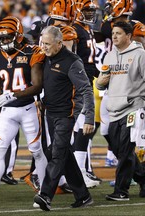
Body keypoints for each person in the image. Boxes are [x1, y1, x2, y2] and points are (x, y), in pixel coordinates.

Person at [0, 16, 47, 209]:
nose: (4, 41)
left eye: (8, 37)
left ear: (18, 35)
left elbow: (38, 86)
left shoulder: (33, 52)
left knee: (36, 151)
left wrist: (13, 94)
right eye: (2, 38)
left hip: (29, 108)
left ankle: (44, 193)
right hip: (7, 111)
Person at [34, 26, 94, 211]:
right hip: (50, 113)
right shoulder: (46, 58)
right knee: (63, 154)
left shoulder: (72, 62)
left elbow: (86, 90)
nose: (43, 47)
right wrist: (41, 100)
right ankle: (83, 196)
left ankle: (45, 195)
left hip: (66, 115)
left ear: (60, 44)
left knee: (58, 154)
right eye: (42, 43)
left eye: (47, 44)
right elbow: (52, 85)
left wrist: (89, 118)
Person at [96, 21, 145, 201]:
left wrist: (141, 102)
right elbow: (101, 82)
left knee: (125, 150)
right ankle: (143, 178)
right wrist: (101, 81)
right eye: (113, 33)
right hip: (114, 108)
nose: (114, 36)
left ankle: (121, 191)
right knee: (119, 149)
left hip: (133, 107)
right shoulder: (109, 56)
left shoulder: (140, 55)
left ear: (129, 35)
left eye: (118, 33)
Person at [72, 0, 101, 188]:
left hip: (87, 80)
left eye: (92, 10)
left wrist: (100, 73)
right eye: (87, 10)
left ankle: (79, 171)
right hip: (78, 84)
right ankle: (77, 172)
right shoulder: (75, 29)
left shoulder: (86, 28)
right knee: (80, 128)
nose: (90, 13)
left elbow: (89, 62)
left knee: (82, 129)